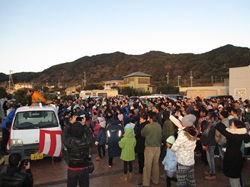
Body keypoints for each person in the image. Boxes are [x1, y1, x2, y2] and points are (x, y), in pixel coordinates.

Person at [215, 119, 250, 187]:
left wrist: (216, 122)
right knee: (236, 177)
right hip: (237, 158)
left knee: (234, 178)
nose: (230, 126)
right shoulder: (239, 134)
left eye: (232, 125)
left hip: (233, 160)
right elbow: (225, 129)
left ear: (236, 127)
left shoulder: (234, 135)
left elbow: (223, 130)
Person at [63, 115, 93, 187]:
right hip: (84, 168)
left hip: (72, 168)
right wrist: (84, 125)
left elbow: (64, 134)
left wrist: (70, 123)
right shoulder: (86, 142)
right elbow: (90, 134)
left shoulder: (69, 142)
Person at [171, 114, 198, 187]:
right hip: (191, 161)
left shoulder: (183, 134)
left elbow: (175, 146)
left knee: (181, 182)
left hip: (182, 161)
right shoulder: (194, 131)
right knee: (191, 181)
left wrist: (172, 149)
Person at [139, 112, 162, 187]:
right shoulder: (158, 125)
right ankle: (155, 180)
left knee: (147, 165)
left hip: (149, 147)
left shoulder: (148, 126)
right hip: (157, 147)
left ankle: (146, 182)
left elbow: (142, 133)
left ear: (151, 118)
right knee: (155, 164)